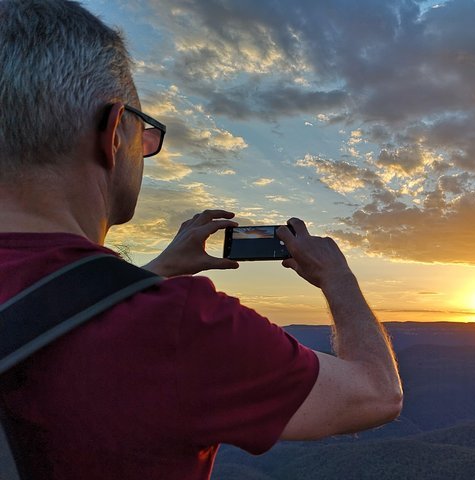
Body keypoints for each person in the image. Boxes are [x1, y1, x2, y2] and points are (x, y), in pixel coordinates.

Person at [0, 1, 403, 479]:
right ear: (112, 135)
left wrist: (149, 273)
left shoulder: (134, 316)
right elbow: (376, 393)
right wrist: (338, 278)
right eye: (144, 135)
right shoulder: (179, 326)